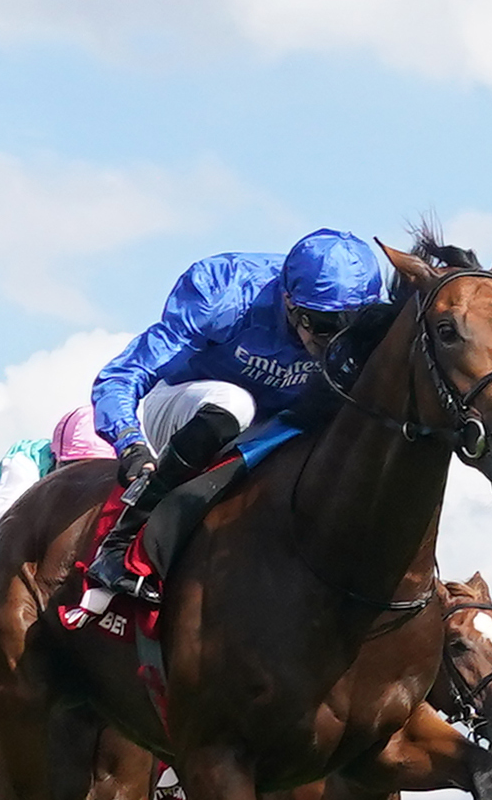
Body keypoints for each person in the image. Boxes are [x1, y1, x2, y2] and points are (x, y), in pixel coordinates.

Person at [82, 228, 387, 599]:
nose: (333, 343)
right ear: (289, 300)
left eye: (349, 327)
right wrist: (130, 443)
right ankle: (121, 543)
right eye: (323, 326)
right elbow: (124, 374)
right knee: (235, 403)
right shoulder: (224, 291)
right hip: (181, 410)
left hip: (270, 433)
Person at [0, 406, 114, 585]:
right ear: (58, 457)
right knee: (7, 582)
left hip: (40, 556)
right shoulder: (26, 462)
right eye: (74, 467)